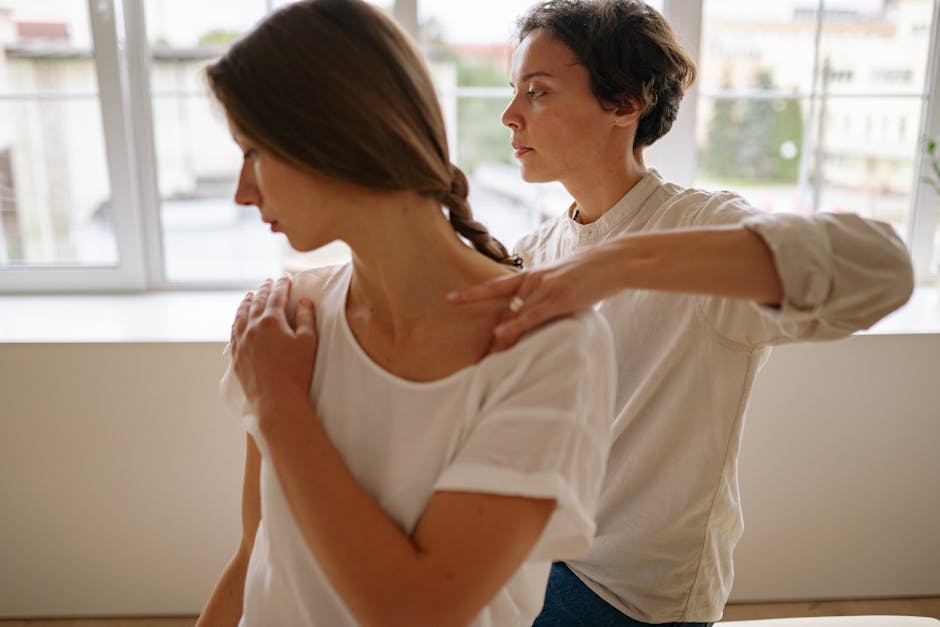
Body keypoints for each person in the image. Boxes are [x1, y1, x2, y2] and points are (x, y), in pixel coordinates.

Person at [446, 1, 915, 625]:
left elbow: (883, 267)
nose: (509, 116)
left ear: (625, 103)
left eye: (538, 92)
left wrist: (619, 263)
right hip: (540, 554)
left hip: (627, 593)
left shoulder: (705, 227)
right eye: (514, 92)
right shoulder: (537, 252)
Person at [194, 1, 616, 626]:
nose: (242, 191)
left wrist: (282, 405)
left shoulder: (552, 347)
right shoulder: (285, 318)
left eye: (254, 152)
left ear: (335, 137)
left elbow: (417, 611)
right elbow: (257, 554)